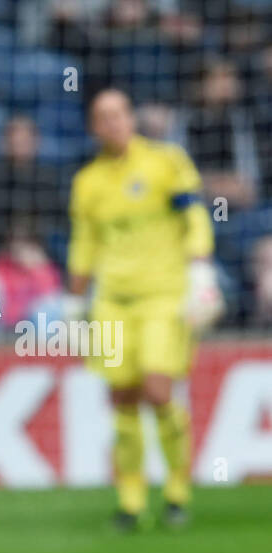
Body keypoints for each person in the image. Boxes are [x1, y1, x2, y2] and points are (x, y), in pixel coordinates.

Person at [66, 87, 219, 530]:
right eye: (103, 117)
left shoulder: (166, 162)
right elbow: (84, 245)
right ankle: (131, 500)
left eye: (119, 113)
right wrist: (76, 302)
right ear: (95, 127)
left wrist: (202, 273)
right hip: (112, 301)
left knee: (157, 390)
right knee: (121, 397)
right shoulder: (88, 182)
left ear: (131, 117)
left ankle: (176, 488)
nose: (113, 123)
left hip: (163, 296)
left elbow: (193, 217)